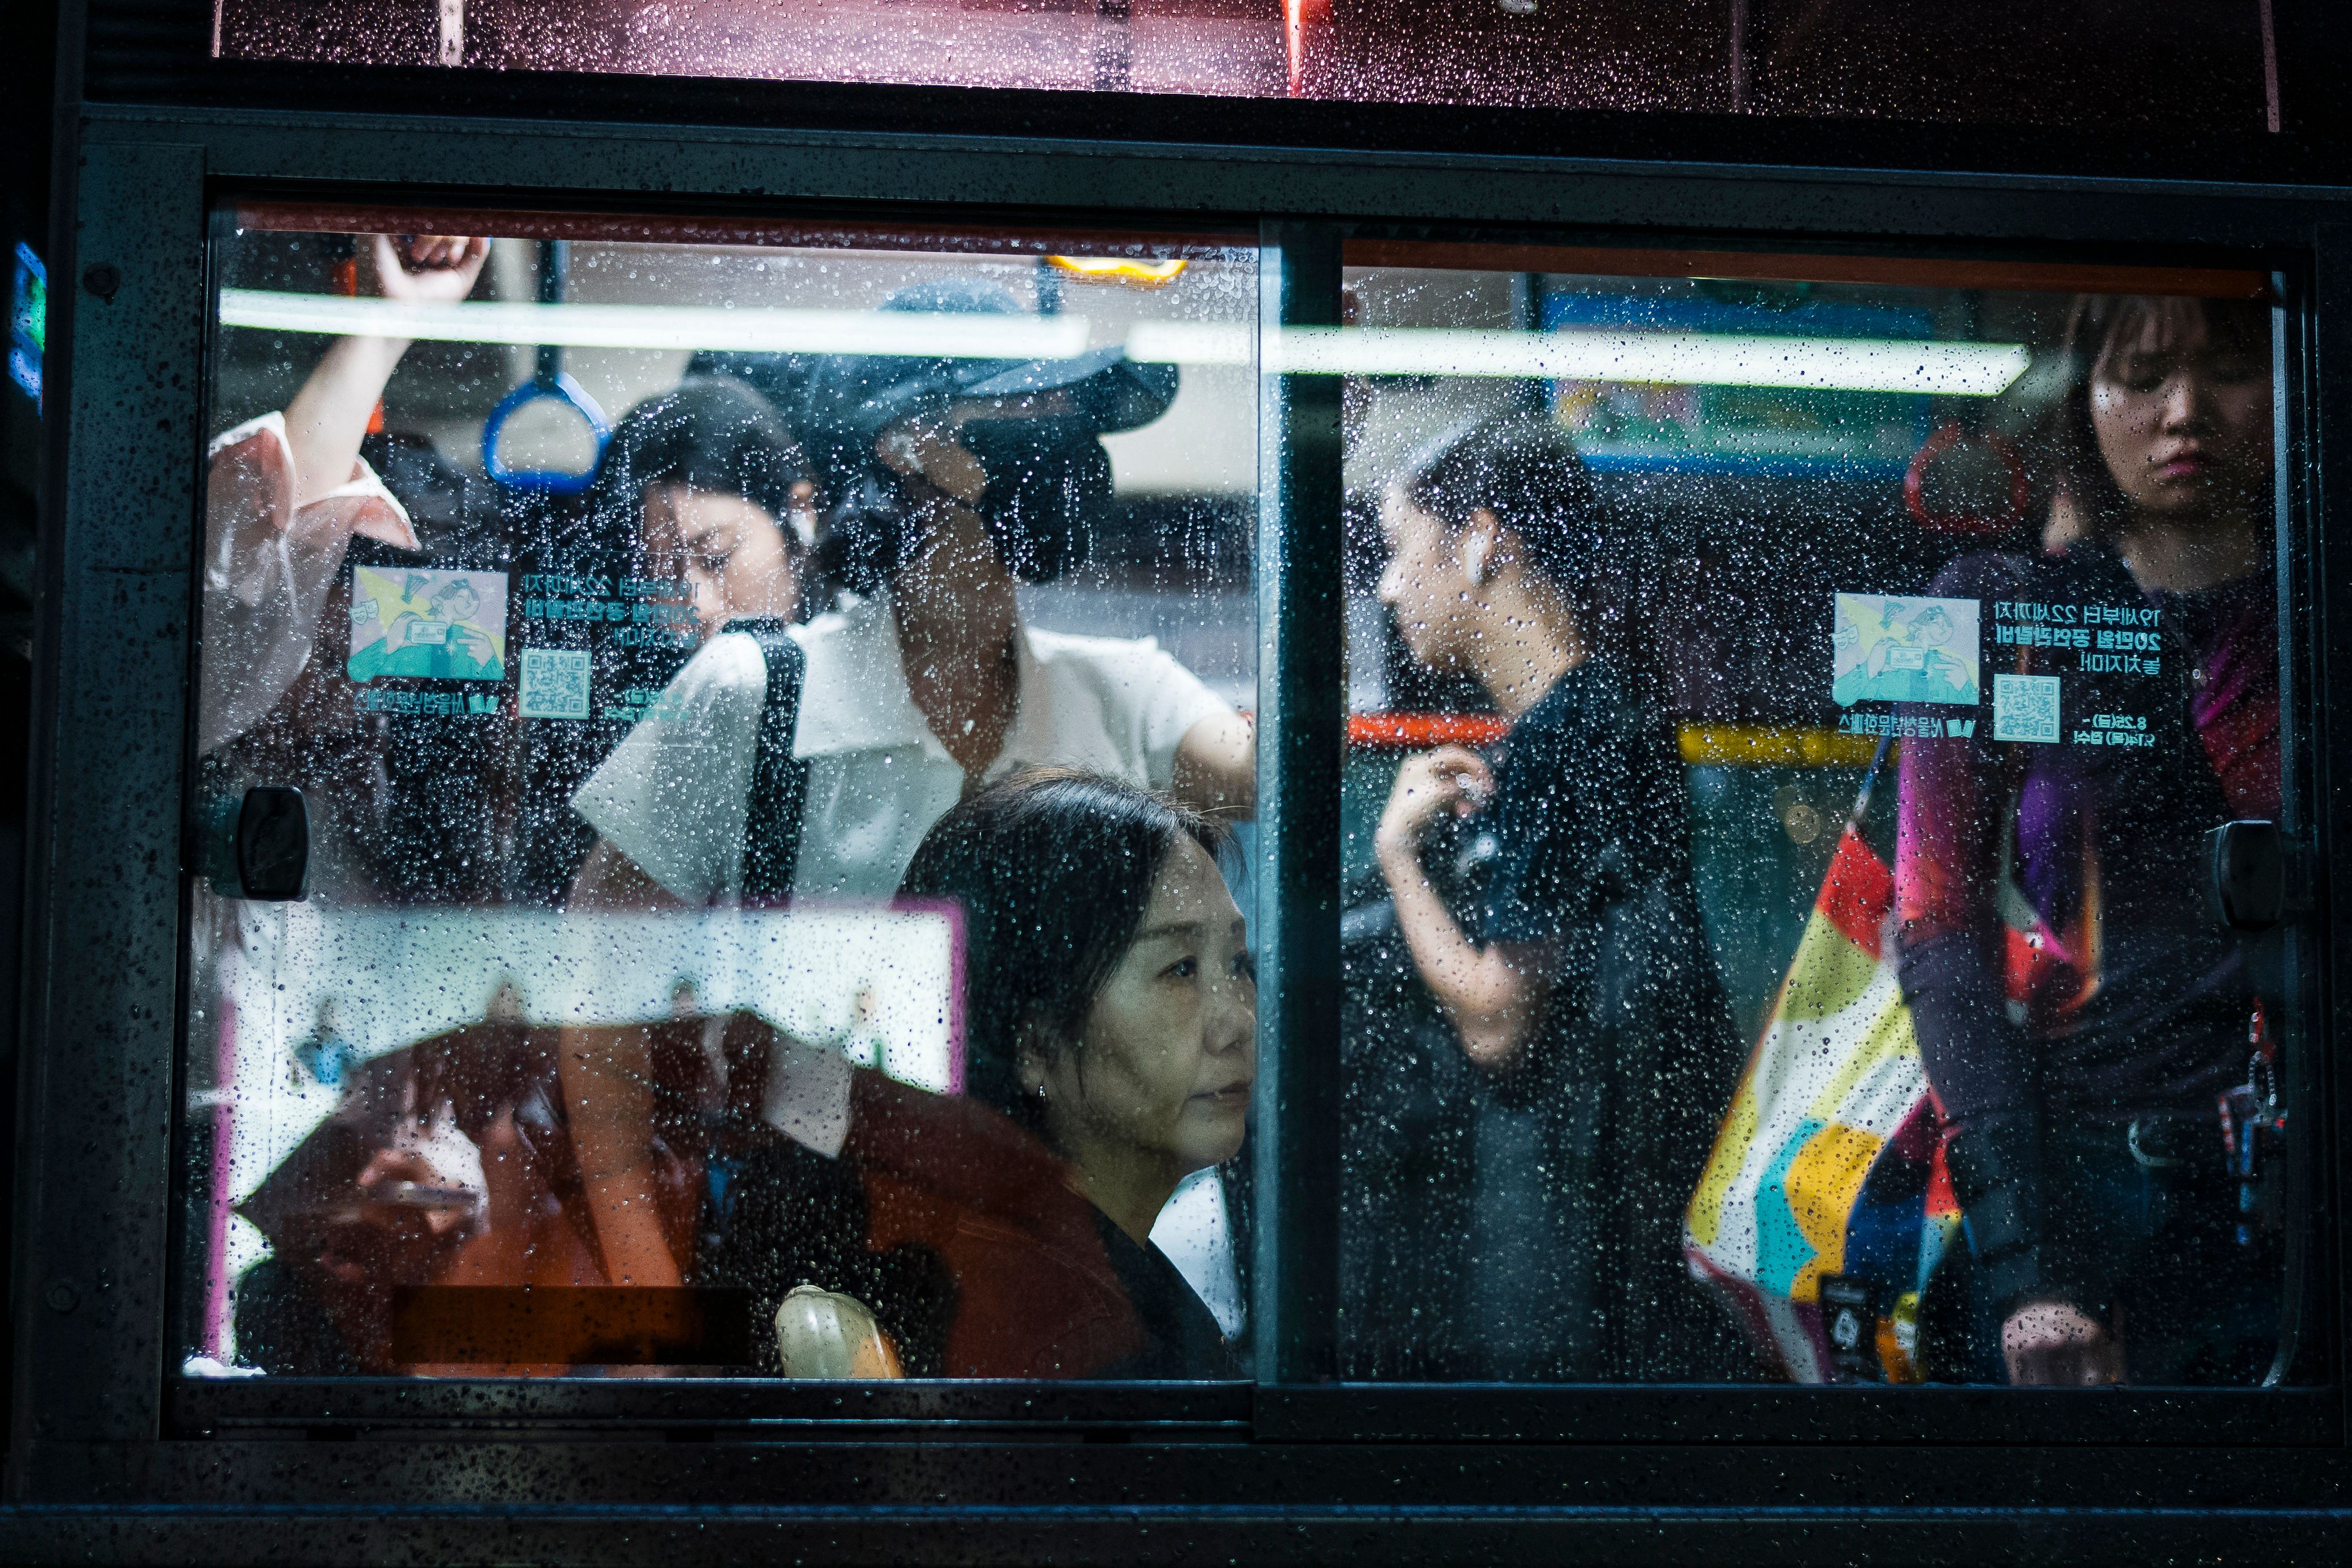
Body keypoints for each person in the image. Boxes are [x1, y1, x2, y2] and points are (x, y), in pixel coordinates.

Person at [564, 277, 1255, 911]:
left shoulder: (1124, 693)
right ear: (904, 448)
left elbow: (1276, 774)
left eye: (1060, 413)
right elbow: (601, 958)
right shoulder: (756, 691)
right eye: (1015, 410)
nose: (1056, 440)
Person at [1895, 293, 2283, 1386]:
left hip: (2294, 1187)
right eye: (2142, 376)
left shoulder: (2311, 617)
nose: (2185, 411)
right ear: (2086, 399)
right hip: (2074, 1178)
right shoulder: (1981, 608)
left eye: (2227, 371)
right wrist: (2032, 1263)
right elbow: (1936, 928)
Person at [1368, 413, 1746, 1381]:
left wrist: (1399, 857)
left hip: (1576, 1236)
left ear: (1480, 539)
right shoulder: (1605, 715)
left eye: (1402, 546)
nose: (1389, 585)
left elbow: (1498, 1020)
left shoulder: (1562, 736)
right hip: (1629, 1214)